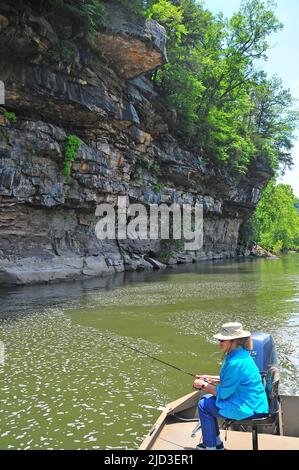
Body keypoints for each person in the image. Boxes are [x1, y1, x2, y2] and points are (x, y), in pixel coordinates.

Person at [193, 322, 269, 450]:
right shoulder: (240, 353)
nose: (219, 342)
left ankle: (211, 446)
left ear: (234, 341)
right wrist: (208, 378)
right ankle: (215, 443)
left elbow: (222, 393)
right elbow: (230, 380)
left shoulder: (236, 362)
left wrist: (203, 385)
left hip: (250, 408)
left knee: (203, 405)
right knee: (206, 399)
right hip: (253, 402)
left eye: (223, 340)